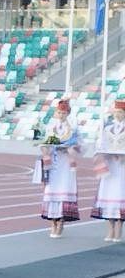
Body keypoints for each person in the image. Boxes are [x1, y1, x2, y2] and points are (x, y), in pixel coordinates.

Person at [37, 98, 80, 237]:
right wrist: (46, 148)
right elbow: (47, 143)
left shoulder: (73, 128)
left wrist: (70, 148)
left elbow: (80, 146)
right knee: (51, 190)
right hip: (54, 163)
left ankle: (61, 222)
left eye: (63, 113)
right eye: (59, 113)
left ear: (68, 113)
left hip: (66, 163)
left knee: (64, 190)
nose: (61, 115)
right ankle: (52, 222)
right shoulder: (51, 127)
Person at [92, 98, 125, 242]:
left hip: (122, 167)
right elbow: (101, 145)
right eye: (116, 112)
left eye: (120, 112)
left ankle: (119, 229)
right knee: (109, 196)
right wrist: (102, 151)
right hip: (110, 166)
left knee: (120, 195)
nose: (117, 114)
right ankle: (110, 229)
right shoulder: (106, 129)